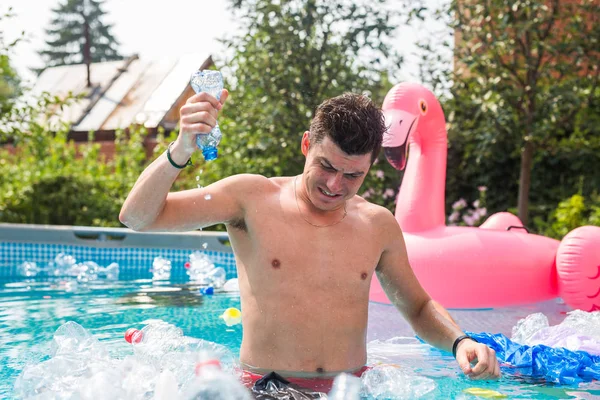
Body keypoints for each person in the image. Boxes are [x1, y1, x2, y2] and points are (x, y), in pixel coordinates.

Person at [119, 88, 501, 393]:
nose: (335, 185)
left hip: (351, 389)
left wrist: (459, 342)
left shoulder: (377, 224)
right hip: (264, 388)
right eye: (327, 166)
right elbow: (137, 218)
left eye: (352, 175)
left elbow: (417, 307)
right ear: (306, 145)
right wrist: (181, 149)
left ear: (369, 168)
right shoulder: (251, 200)